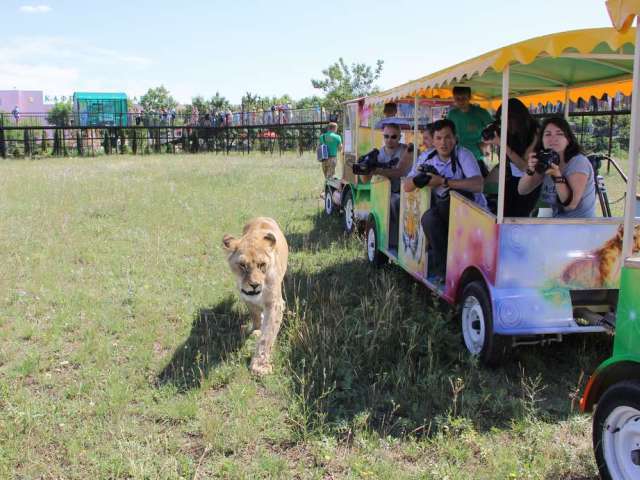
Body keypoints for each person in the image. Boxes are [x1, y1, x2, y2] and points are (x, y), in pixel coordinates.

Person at [405, 119, 486, 282]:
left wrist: (443, 181)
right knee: (428, 219)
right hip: (443, 213)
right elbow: (407, 186)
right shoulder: (427, 157)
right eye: (439, 138)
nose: (444, 142)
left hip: (474, 213)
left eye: (448, 137)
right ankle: (445, 272)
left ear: (455, 138)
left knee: (447, 201)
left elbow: (478, 185)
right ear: (433, 140)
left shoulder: (464, 154)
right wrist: (420, 180)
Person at [518, 116, 595, 218]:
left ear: (568, 140)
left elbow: (570, 205)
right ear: (542, 140)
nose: (553, 139)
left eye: (559, 134)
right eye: (547, 134)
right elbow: (522, 190)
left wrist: (557, 176)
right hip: (555, 224)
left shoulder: (578, 162)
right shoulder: (546, 159)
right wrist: (530, 170)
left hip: (579, 226)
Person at [485, 98, 541, 217]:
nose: (505, 125)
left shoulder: (535, 133)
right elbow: (505, 162)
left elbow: (524, 167)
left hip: (528, 183)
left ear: (519, 118)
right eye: (502, 121)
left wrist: (502, 144)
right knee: (503, 215)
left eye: (508, 120)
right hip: (511, 181)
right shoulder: (510, 134)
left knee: (518, 217)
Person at [369, 123, 412, 248]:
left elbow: (401, 172)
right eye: (386, 136)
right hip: (386, 192)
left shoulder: (406, 150)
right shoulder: (378, 154)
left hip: (406, 189)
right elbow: (365, 178)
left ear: (399, 137)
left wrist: (377, 170)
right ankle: (393, 243)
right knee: (393, 202)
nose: (389, 140)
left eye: (393, 137)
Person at [446, 86, 493, 175]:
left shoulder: (481, 112)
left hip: (477, 156)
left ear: (470, 97)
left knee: (478, 184)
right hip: (457, 156)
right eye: (457, 99)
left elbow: (494, 129)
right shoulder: (452, 114)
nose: (461, 101)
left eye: (464, 98)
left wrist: (487, 143)